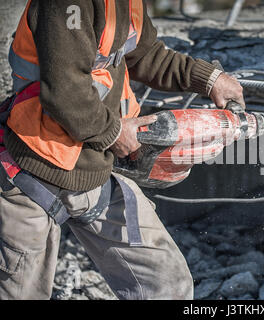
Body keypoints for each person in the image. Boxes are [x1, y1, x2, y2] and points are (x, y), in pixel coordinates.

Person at [0, 0, 244, 300]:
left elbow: (147, 54)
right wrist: (115, 134)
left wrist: (208, 79)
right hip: (34, 167)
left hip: (94, 169)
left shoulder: (127, 3)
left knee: (167, 286)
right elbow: (66, 93)